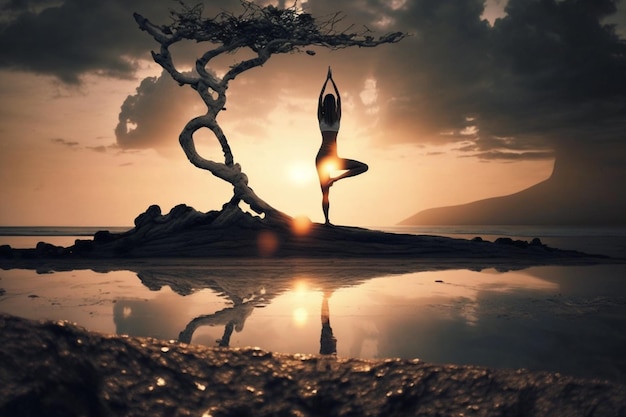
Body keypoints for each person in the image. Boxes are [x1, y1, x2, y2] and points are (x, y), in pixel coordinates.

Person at [316, 67, 368, 225]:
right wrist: (333, 81)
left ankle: (327, 221)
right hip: (333, 158)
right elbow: (340, 99)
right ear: (334, 106)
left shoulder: (321, 119)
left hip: (321, 158)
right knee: (363, 167)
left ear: (325, 105)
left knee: (325, 193)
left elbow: (319, 99)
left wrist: (326, 81)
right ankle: (336, 179)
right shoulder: (337, 119)